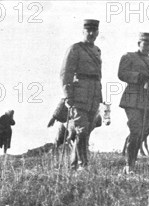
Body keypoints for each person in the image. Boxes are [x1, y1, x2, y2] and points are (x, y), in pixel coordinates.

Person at [60, 19, 103, 170]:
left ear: (97, 33)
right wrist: (68, 96)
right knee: (82, 130)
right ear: (83, 32)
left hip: (94, 97)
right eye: (88, 31)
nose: (91, 34)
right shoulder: (75, 49)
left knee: (85, 133)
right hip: (78, 96)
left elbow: (98, 76)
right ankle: (83, 165)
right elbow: (66, 74)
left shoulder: (97, 50)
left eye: (94, 31)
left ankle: (74, 166)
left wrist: (100, 98)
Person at [118, 32, 149, 174]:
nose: (148, 47)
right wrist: (139, 77)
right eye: (145, 44)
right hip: (133, 100)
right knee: (136, 130)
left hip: (148, 100)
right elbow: (121, 73)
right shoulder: (128, 57)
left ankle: (132, 164)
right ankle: (128, 165)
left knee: (142, 132)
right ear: (139, 43)